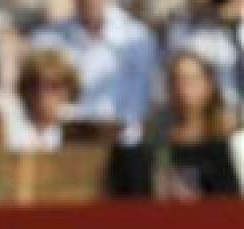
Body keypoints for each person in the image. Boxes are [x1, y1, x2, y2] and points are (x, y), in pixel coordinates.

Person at [31, 0, 158, 142]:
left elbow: (139, 105)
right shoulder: (46, 39)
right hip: (66, 143)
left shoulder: (138, 37)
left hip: (122, 145)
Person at [151, 49, 241, 195]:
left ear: (209, 84)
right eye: (176, 80)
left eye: (191, 80)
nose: (182, 87)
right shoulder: (158, 140)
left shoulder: (232, 140)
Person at [0, 45, 81, 151]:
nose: (42, 93)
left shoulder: (78, 128)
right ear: (24, 88)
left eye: (54, 85)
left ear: (69, 91)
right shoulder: (5, 126)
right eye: (35, 84)